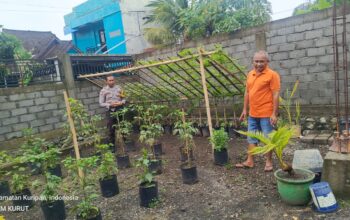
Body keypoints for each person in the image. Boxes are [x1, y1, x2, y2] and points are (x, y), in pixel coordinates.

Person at [235, 50, 280, 172]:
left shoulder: (272, 75)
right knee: (251, 137)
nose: (259, 64)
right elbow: (247, 92)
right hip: (252, 113)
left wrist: (274, 114)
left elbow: (275, 94)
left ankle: (269, 161)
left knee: (267, 139)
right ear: (252, 62)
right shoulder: (250, 74)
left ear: (267, 62)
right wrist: (245, 109)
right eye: (256, 61)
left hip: (266, 113)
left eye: (262, 61)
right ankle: (250, 161)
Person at [99, 75, 126, 149]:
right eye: (110, 80)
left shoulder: (119, 88)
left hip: (119, 109)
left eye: (113, 80)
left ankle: (125, 143)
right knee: (111, 129)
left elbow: (124, 99)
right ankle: (112, 146)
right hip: (110, 111)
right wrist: (110, 104)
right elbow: (101, 103)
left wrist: (121, 103)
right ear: (106, 81)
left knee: (122, 126)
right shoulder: (103, 90)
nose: (112, 82)